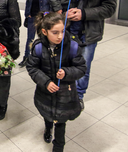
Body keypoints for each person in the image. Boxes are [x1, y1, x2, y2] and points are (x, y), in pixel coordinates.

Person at [26, 11, 86, 152]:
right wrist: (46, 82)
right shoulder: (38, 47)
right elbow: (32, 67)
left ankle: (58, 147)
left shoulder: (72, 46)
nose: (60, 36)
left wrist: (67, 73)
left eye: (63, 31)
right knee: (47, 114)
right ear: (44, 32)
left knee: (61, 122)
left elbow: (81, 68)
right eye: (55, 32)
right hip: (45, 93)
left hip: (65, 94)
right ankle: (47, 128)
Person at [67, 0, 117, 110]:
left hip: (89, 34)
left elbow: (109, 8)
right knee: (66, 64)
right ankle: (67, 93)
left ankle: (79, 96)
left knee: (84, 68)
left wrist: (84, 14)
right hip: (68, 32)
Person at [19, 0, 51, 68]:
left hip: (42, 18)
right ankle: (27, 58)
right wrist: (27, 14)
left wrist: (46, 16)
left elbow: (50, 5)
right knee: (30, 39)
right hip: (32, 17)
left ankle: (43, 59)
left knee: (43, 38)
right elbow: (28, 2)